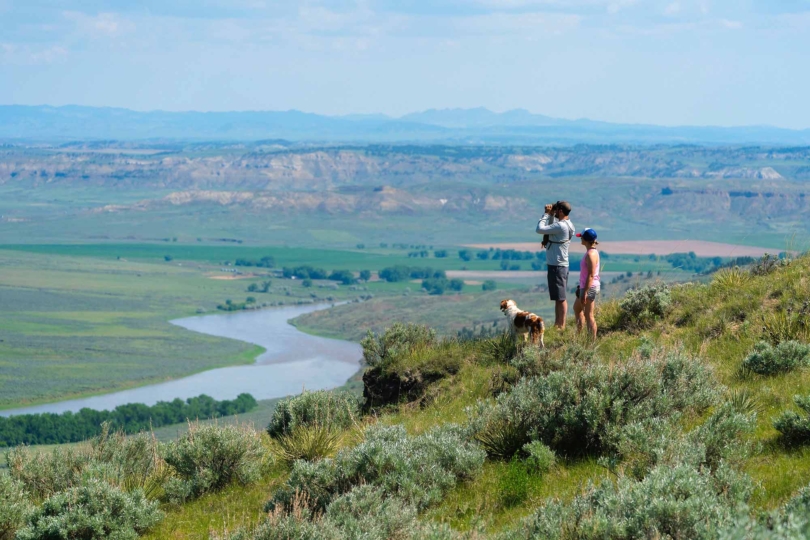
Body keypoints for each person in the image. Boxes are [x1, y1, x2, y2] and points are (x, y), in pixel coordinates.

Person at [536, 201, 574, 329]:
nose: (555, 211)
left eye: (556, 210)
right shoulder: (567, 224)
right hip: (559, 265)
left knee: (561, 297)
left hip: (557, 265)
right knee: (558, 297)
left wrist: (546, 215)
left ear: (561, 211)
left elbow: (540, 229)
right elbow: (551, 230)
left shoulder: (561, 226)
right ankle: (558, 324)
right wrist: (552, 215)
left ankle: (561, 325)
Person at [574, 228, 600, 339]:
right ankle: (579, 335)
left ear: (585, 239)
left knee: (589, 315)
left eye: (581, 237)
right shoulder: (591, 252)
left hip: (589, 287)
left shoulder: (591, 254)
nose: (580, 239)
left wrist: (585, 291)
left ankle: (591, 342)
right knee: (577, 308)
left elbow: (591, 274)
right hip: (585, 286)